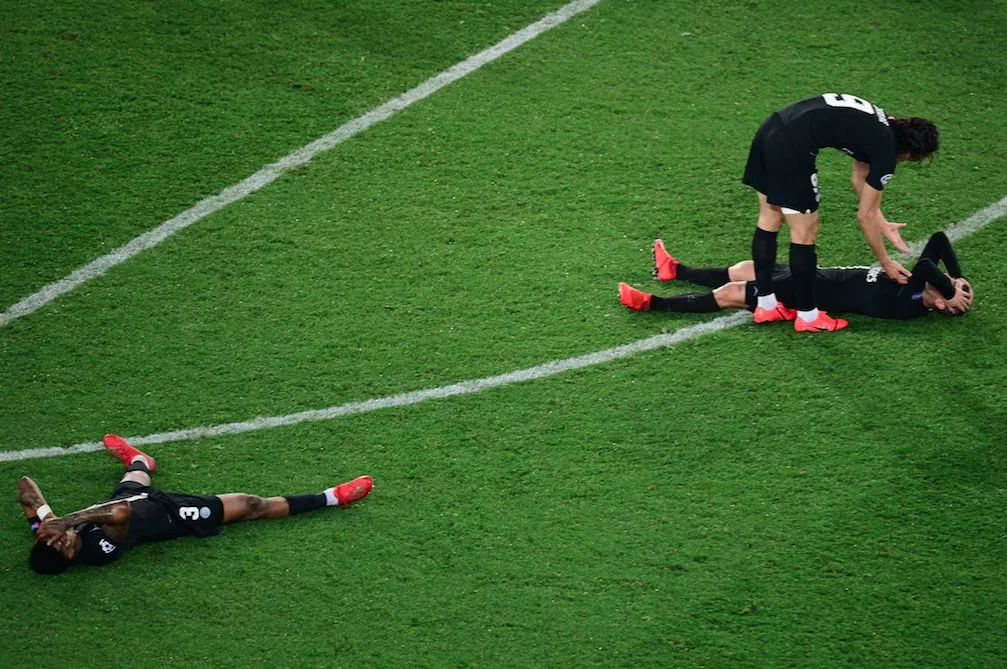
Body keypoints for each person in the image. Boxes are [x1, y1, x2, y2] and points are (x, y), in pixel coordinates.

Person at [20, 434, 373, 575]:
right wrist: (66, 520)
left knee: (137, 474)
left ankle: (140, 459)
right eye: (60, 542)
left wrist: (44, 516)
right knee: (250, 505)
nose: (56, 537)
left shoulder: (48, 536)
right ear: (69, 555)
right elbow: (120, 514)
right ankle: (332, 497)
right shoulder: (99, 550)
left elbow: (25, 489)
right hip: (170, 516)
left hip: (128, 499)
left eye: (48, 538)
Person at [743, 93, 939, 332]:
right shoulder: (887, 152)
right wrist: (886, 263)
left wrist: (882, 221)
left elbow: (860, 179)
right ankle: (808, 316)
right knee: (805, 231)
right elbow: (864, 217)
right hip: (792, 147)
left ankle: (766, 305)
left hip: (771, 128)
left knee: (770, 217)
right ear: (910, 153)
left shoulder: (884, 123)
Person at [619, 234, 972, 319]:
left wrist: (948, 287)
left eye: (939, 287)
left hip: (805, 293)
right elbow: (939, 241)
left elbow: (926, 269)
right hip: (812, 275)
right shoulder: (921, 289)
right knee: (746, 267)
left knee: (732, 291)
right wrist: (957, 278)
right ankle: (675, 270)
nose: (935, 278)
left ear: (938, 302)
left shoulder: (909, 302)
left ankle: (652, 304)